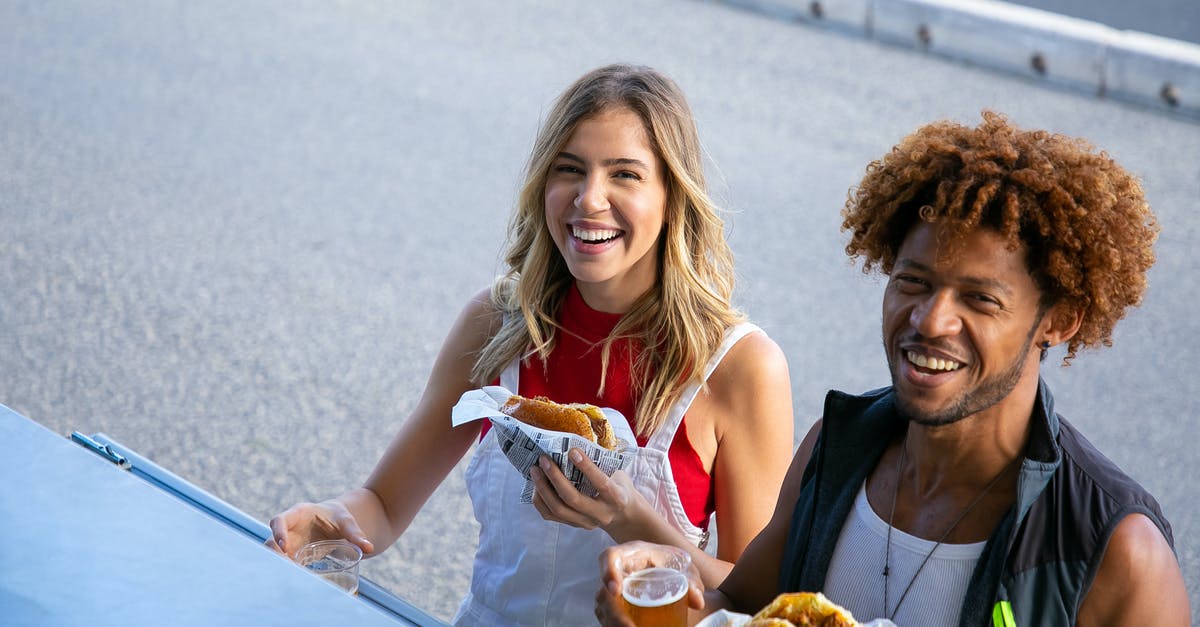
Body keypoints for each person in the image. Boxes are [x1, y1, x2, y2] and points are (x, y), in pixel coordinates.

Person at [597, 112, 1190, 626]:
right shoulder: (837, 447)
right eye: (913, 282)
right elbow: (743, 607)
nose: (931, 320)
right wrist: (663, 604)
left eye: (980, 300)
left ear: (1059, 320)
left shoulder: (1114, 551)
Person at [267, 63, 795, 626]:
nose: (590, 199)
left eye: (625, 175)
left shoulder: (741, 366)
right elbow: (384, 506)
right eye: (570, 169)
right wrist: (330, 518)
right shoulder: (495, 323)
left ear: (673, 195)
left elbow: (757, 601)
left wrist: (627, 517)